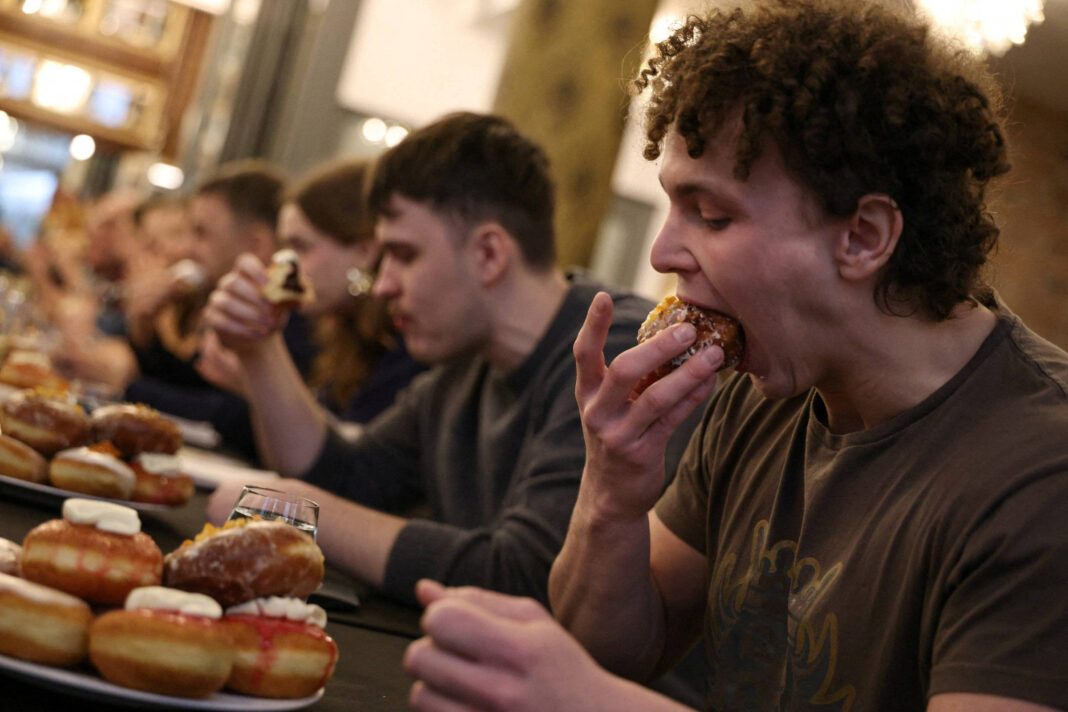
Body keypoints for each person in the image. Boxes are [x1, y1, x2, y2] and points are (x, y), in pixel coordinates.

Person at [401, 2, 1068, 711]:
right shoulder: (762, 394)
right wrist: (611, 492)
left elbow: (593, 686)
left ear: (864, 237)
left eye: (711, 215)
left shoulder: (1041, 471)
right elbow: (616, 647)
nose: (662, 253)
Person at [204, 112, 696, 610]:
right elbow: (346, 479)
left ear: (488, 254)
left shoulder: (613, 351)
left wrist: (290, 510)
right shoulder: (466, 365)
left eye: (404, 255)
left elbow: (528, 575)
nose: (382, 285)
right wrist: (258, 348)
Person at [196, 158, 426, 469]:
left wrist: (258, 372)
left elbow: (347, 471)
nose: (284, 266)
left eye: (301, 247)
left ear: (364, 251)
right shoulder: (338, 331)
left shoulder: (406, 344)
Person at [124, 160, 316, 461]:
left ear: (256, 244)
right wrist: (142, 332)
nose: (187, 248)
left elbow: (237, 418)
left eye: (201, 233)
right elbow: (188, 381)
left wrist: (129, 384)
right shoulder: (209, 299)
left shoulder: (290, 320)